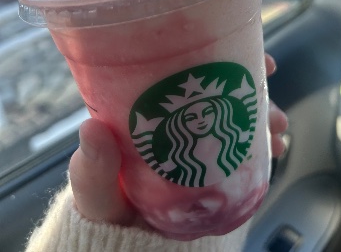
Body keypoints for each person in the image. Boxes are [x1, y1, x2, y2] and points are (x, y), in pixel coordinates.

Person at [25, 55, 288, 252]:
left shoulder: (226, 147)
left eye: (208, 111)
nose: (200, 120)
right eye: (190, 117)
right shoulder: (181, 159)